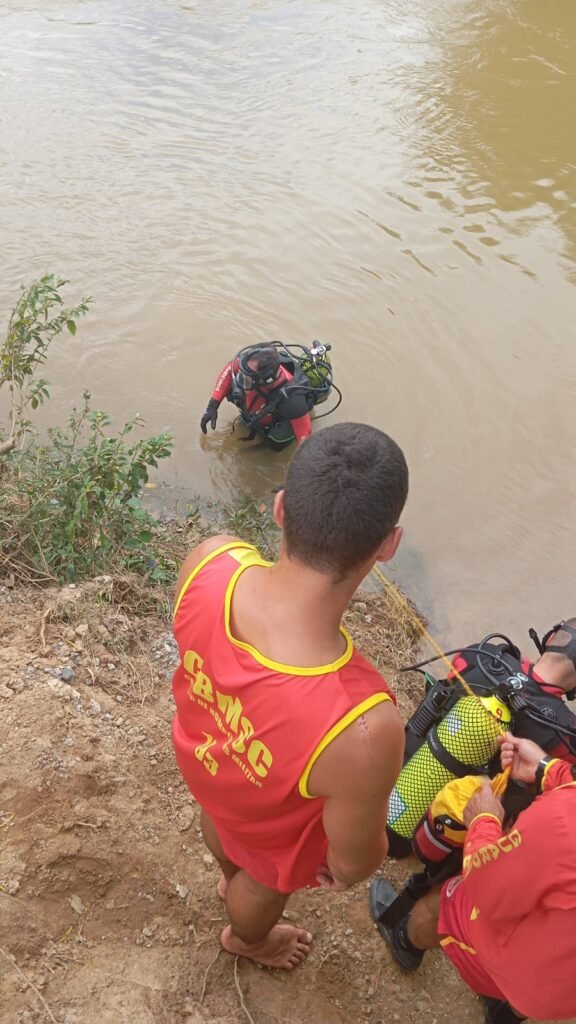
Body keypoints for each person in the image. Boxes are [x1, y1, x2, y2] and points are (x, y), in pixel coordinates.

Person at [171, 422, 408, 969]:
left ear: (280, 509)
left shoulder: (211, 562)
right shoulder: (362, 724)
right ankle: (248, 939)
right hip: (266, 830)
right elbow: (353, 861)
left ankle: (229, 879)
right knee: (261, 879)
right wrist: (344, 871)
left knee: (226, 827)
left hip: (207, 769)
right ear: (389, 545)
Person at [374, 733, 576, 1023]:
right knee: (532, 994)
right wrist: (547, 769)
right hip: (562, 993)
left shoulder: (564, 823)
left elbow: (487, 886)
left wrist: (483, 820)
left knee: (445, 901)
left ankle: (404, 940)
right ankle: (507, 1010)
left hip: (526, 972)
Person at [200, 343, 314, 451]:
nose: (240, 379)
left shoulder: (293, 400)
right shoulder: (248, 364)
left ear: (267, 380)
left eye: (246, 378)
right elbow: (230, 369)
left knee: (276, 443)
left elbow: (306, 444)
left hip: (275, 420)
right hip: (255, 411)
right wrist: (212, 406)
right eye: (241, 373)